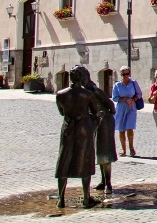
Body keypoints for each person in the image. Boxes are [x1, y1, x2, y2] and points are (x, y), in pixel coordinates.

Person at [55, 65, 100, 209]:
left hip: (68, 128)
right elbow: (96, 112)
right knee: (85, 160)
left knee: (64, 160)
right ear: (82, 78)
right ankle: (86, 198)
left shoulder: (60, 94)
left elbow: (62, 112)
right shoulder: (87, 94)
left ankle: (60, 199)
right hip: (84, 128)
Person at [81, 68, 117, 194]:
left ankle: (109, 184)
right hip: (95, 122)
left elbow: (111, 105)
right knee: (99, 153)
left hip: (105, 122)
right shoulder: (84, 90)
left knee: (105, 152)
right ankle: (103, 181)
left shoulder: (95, 91)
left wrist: (105, 116)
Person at [112, 66, 142, 157]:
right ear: (121, 75)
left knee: (130, 127)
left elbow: (139, 94)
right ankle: (123, 149)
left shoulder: (133, 83)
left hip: (131, 107)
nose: (125, 75)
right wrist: (125, 99)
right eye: (123, 74)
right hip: (121, 108)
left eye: (127, 73)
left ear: (129, 73)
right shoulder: (117, 85)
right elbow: (114, 97)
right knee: (121, 129)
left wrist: (133, 100)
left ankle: (131, 148)